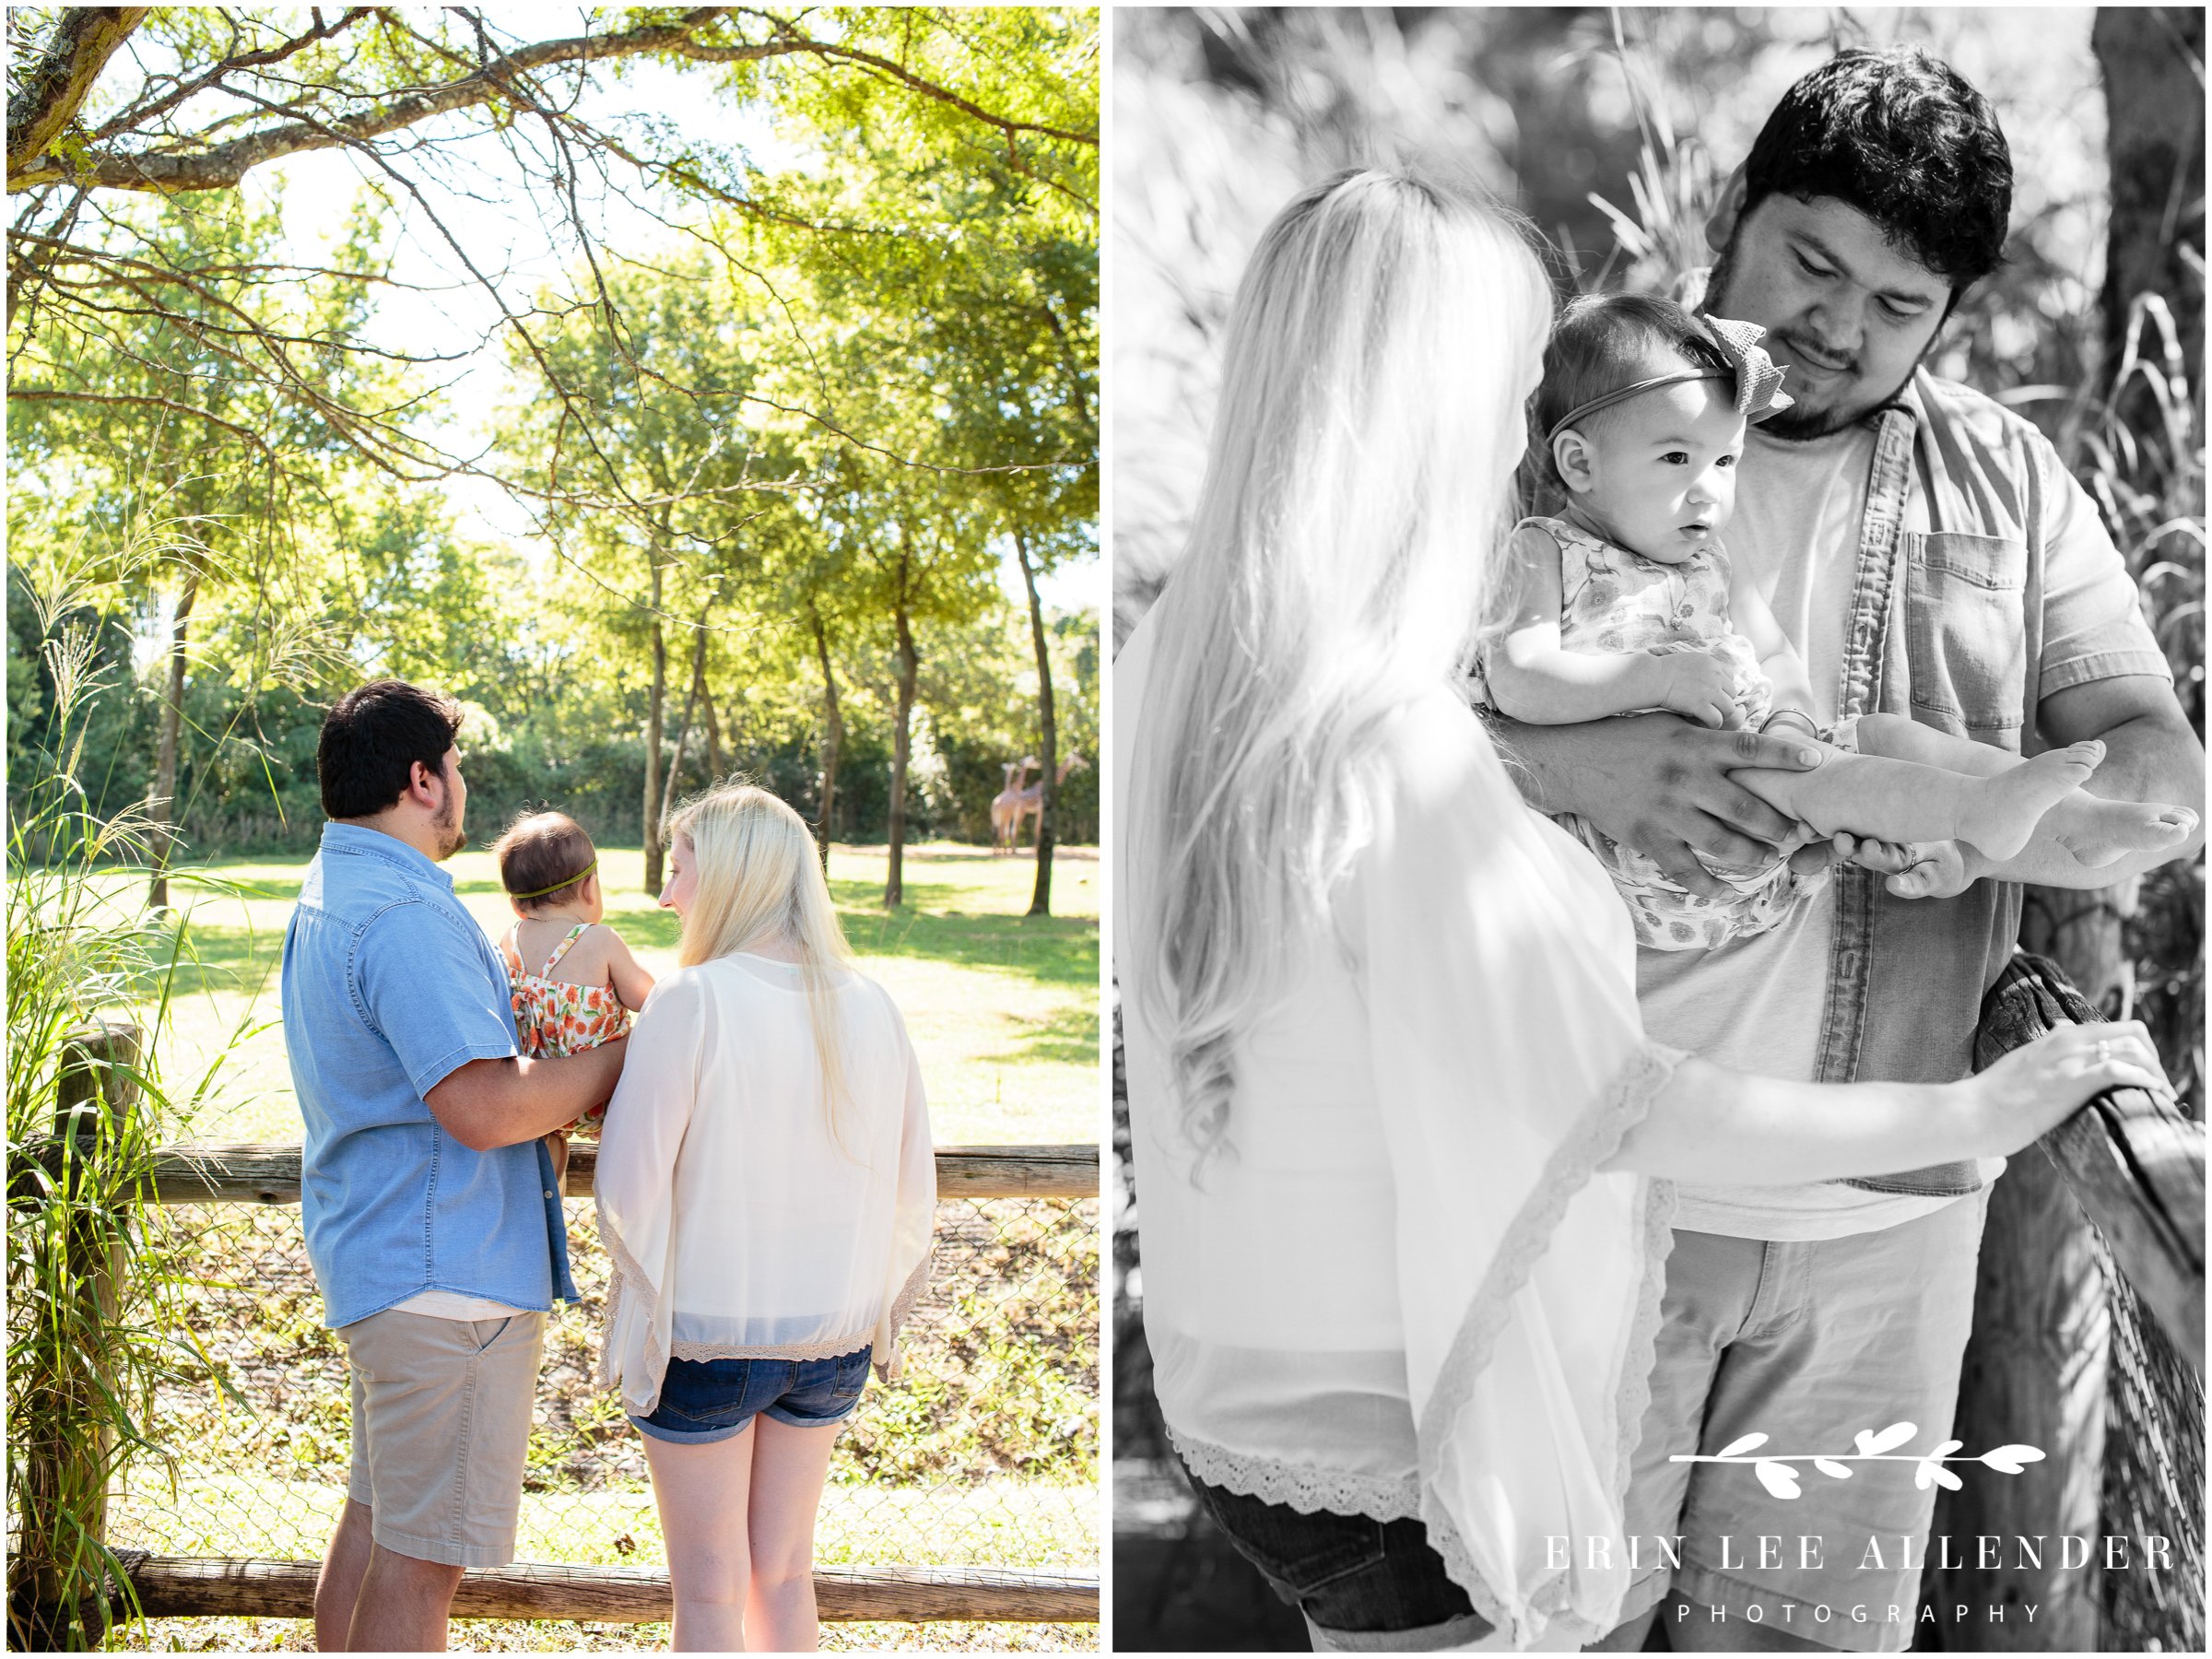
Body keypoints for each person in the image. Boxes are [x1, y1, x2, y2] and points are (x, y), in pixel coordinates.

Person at [1116, 168, 2171, 1653]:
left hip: (1253, 1400)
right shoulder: (1406, 747)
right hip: (1413, 1437)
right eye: (1504, 402)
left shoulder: (1180, 667)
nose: (1516, 452)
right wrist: (1978, 1115)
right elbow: (1619, 1113)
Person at [1478, 52, 2205, 1653]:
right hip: (1586, 1185)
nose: (1839, 326)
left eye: (1897, 305)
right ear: (1736, 214)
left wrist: (1991, 818)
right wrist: (1584, 761)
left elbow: (2167, 779)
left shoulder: (2008, 483)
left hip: (1882, 1221)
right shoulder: (1560, 410)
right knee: (1543, 1632)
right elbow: (1366, 724)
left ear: (1948, 317)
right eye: (1811, 264)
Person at [1484, 292, 2193, 951]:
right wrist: (1656, 679)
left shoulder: (1710, 565)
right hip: (1646, 851)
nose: (1710, 489)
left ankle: (2068, 819)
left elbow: (1777, 661)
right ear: (1579, 462)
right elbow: (1519, 680)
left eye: (1726, 460)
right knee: (1807, 779)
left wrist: (1790, 725)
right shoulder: (1545, 548)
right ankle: (1978, 810)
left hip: (1762, 831)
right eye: (1676, 459)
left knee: (1877, 738)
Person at [281, 681, 626, 1653]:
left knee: (382, 1524)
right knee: (423, 1563)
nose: (466, 786)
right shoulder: (403, 915)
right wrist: (618, 1055)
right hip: (448, 1276)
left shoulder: (332, 890)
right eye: (458, 767)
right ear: (423, 779)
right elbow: (484, 1107)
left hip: (388, 1255)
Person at [594, 782, 935, 1652]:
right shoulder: (873, 1005)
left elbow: (626, 1190)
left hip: (710, 1338)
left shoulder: (691, 1001)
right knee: (782, 1576)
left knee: (708, 1596)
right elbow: (912, 1183)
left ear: (736, 877)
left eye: (678, 871)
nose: (666, 896)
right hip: (834, 1340)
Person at [490, 810, 656, 1189]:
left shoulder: (509, 939)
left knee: (549, 1147)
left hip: (541, 1099)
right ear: (589, 889)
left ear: (517, 904)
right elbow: (648, 999)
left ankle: (550, 1181)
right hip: (601, 1098)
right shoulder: (598, 941)